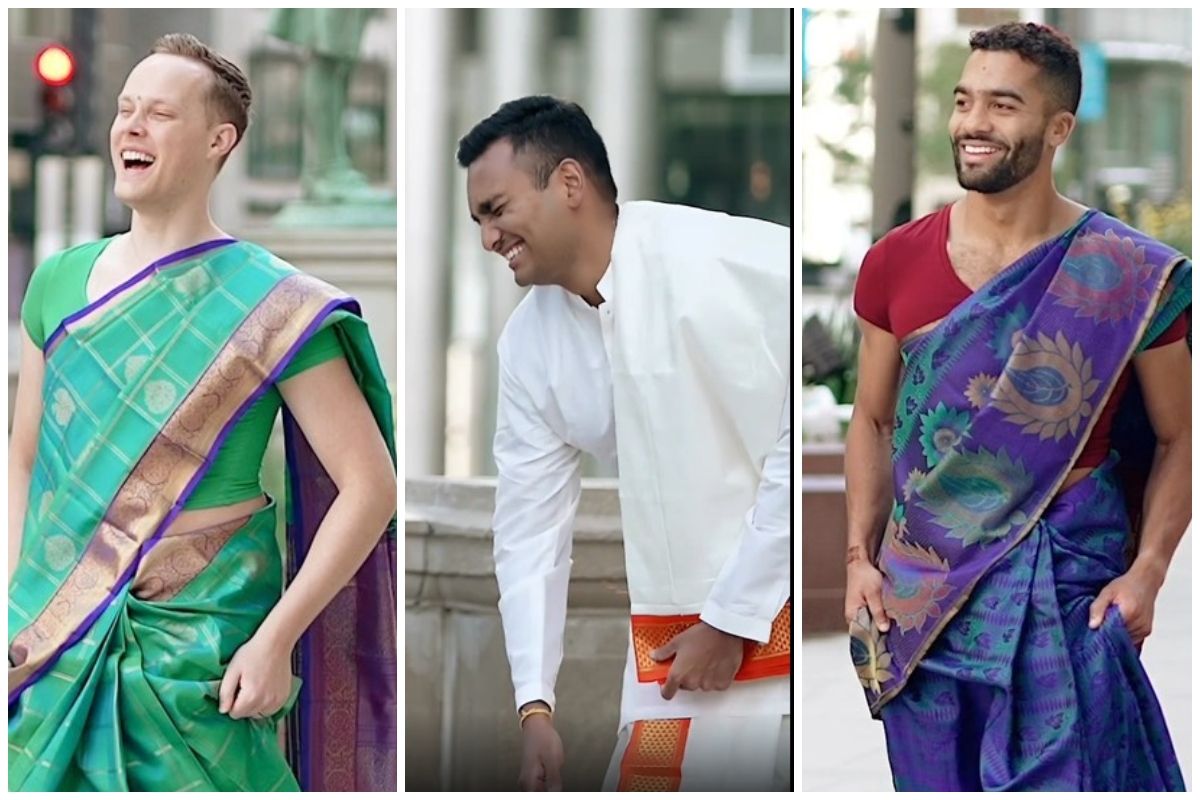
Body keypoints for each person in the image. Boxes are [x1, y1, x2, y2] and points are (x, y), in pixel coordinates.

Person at [8, 33, 398, 792]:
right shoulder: (56, 282)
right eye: (125, 110)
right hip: (53, 634)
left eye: (158, 113)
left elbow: (370, 486)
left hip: (201, 653)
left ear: (221, 140)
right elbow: (23, 457)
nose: (131, 127)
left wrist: (277, 639)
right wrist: (13, 596)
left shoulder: (274, 304)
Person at [845, 22, 1189, 791]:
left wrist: (1149, 575)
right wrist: (857, 564)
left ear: (1058, 126)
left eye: (1003, 105)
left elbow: (1177, 437)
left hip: (1068, 593)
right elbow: (870, 419)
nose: (972, 123)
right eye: (965, 101)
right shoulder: (894, 262)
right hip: (924, 606)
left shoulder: (1130, 275)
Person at [457, 96, 791, 791]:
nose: (488, 238)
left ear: (569, 185)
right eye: (478, 221)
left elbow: (795, 453)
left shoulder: (732, 264)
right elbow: (528, 531)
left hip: (784, 642)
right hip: (669, 664)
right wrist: (534, 705)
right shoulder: (529, 344)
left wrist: (731, 620)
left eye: (496, 209)